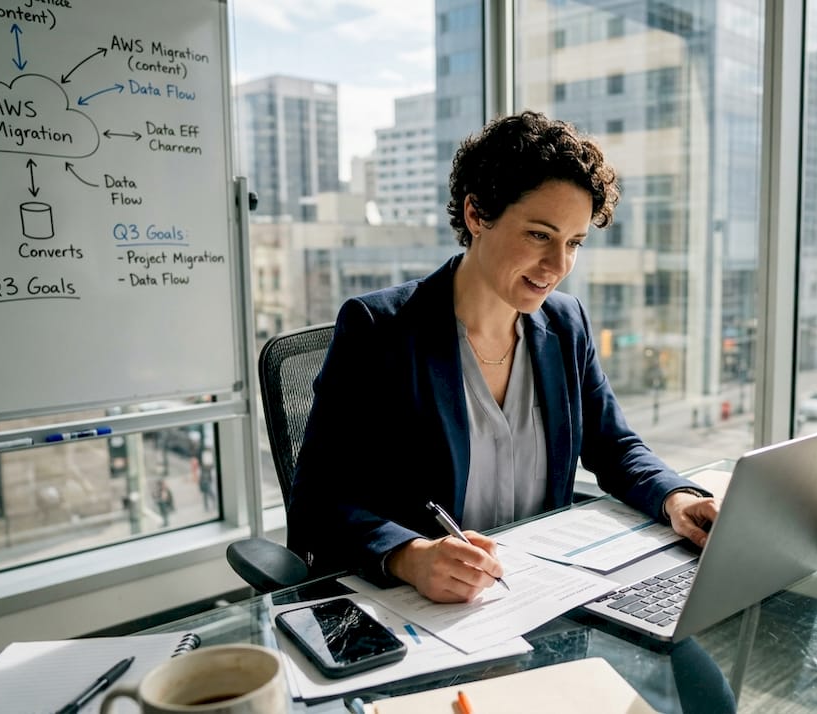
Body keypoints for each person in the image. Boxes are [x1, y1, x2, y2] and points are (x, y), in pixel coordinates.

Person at [289, 111, 719, 604]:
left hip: (545, 595)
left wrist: (678, 498)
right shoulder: (381, 330)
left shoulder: (565, 323)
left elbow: (614, 446)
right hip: (427, 609)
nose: (558, 266)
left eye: (573, 243)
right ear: (476, 215)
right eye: (540, 235)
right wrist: (410, 555)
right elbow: (317, 504)